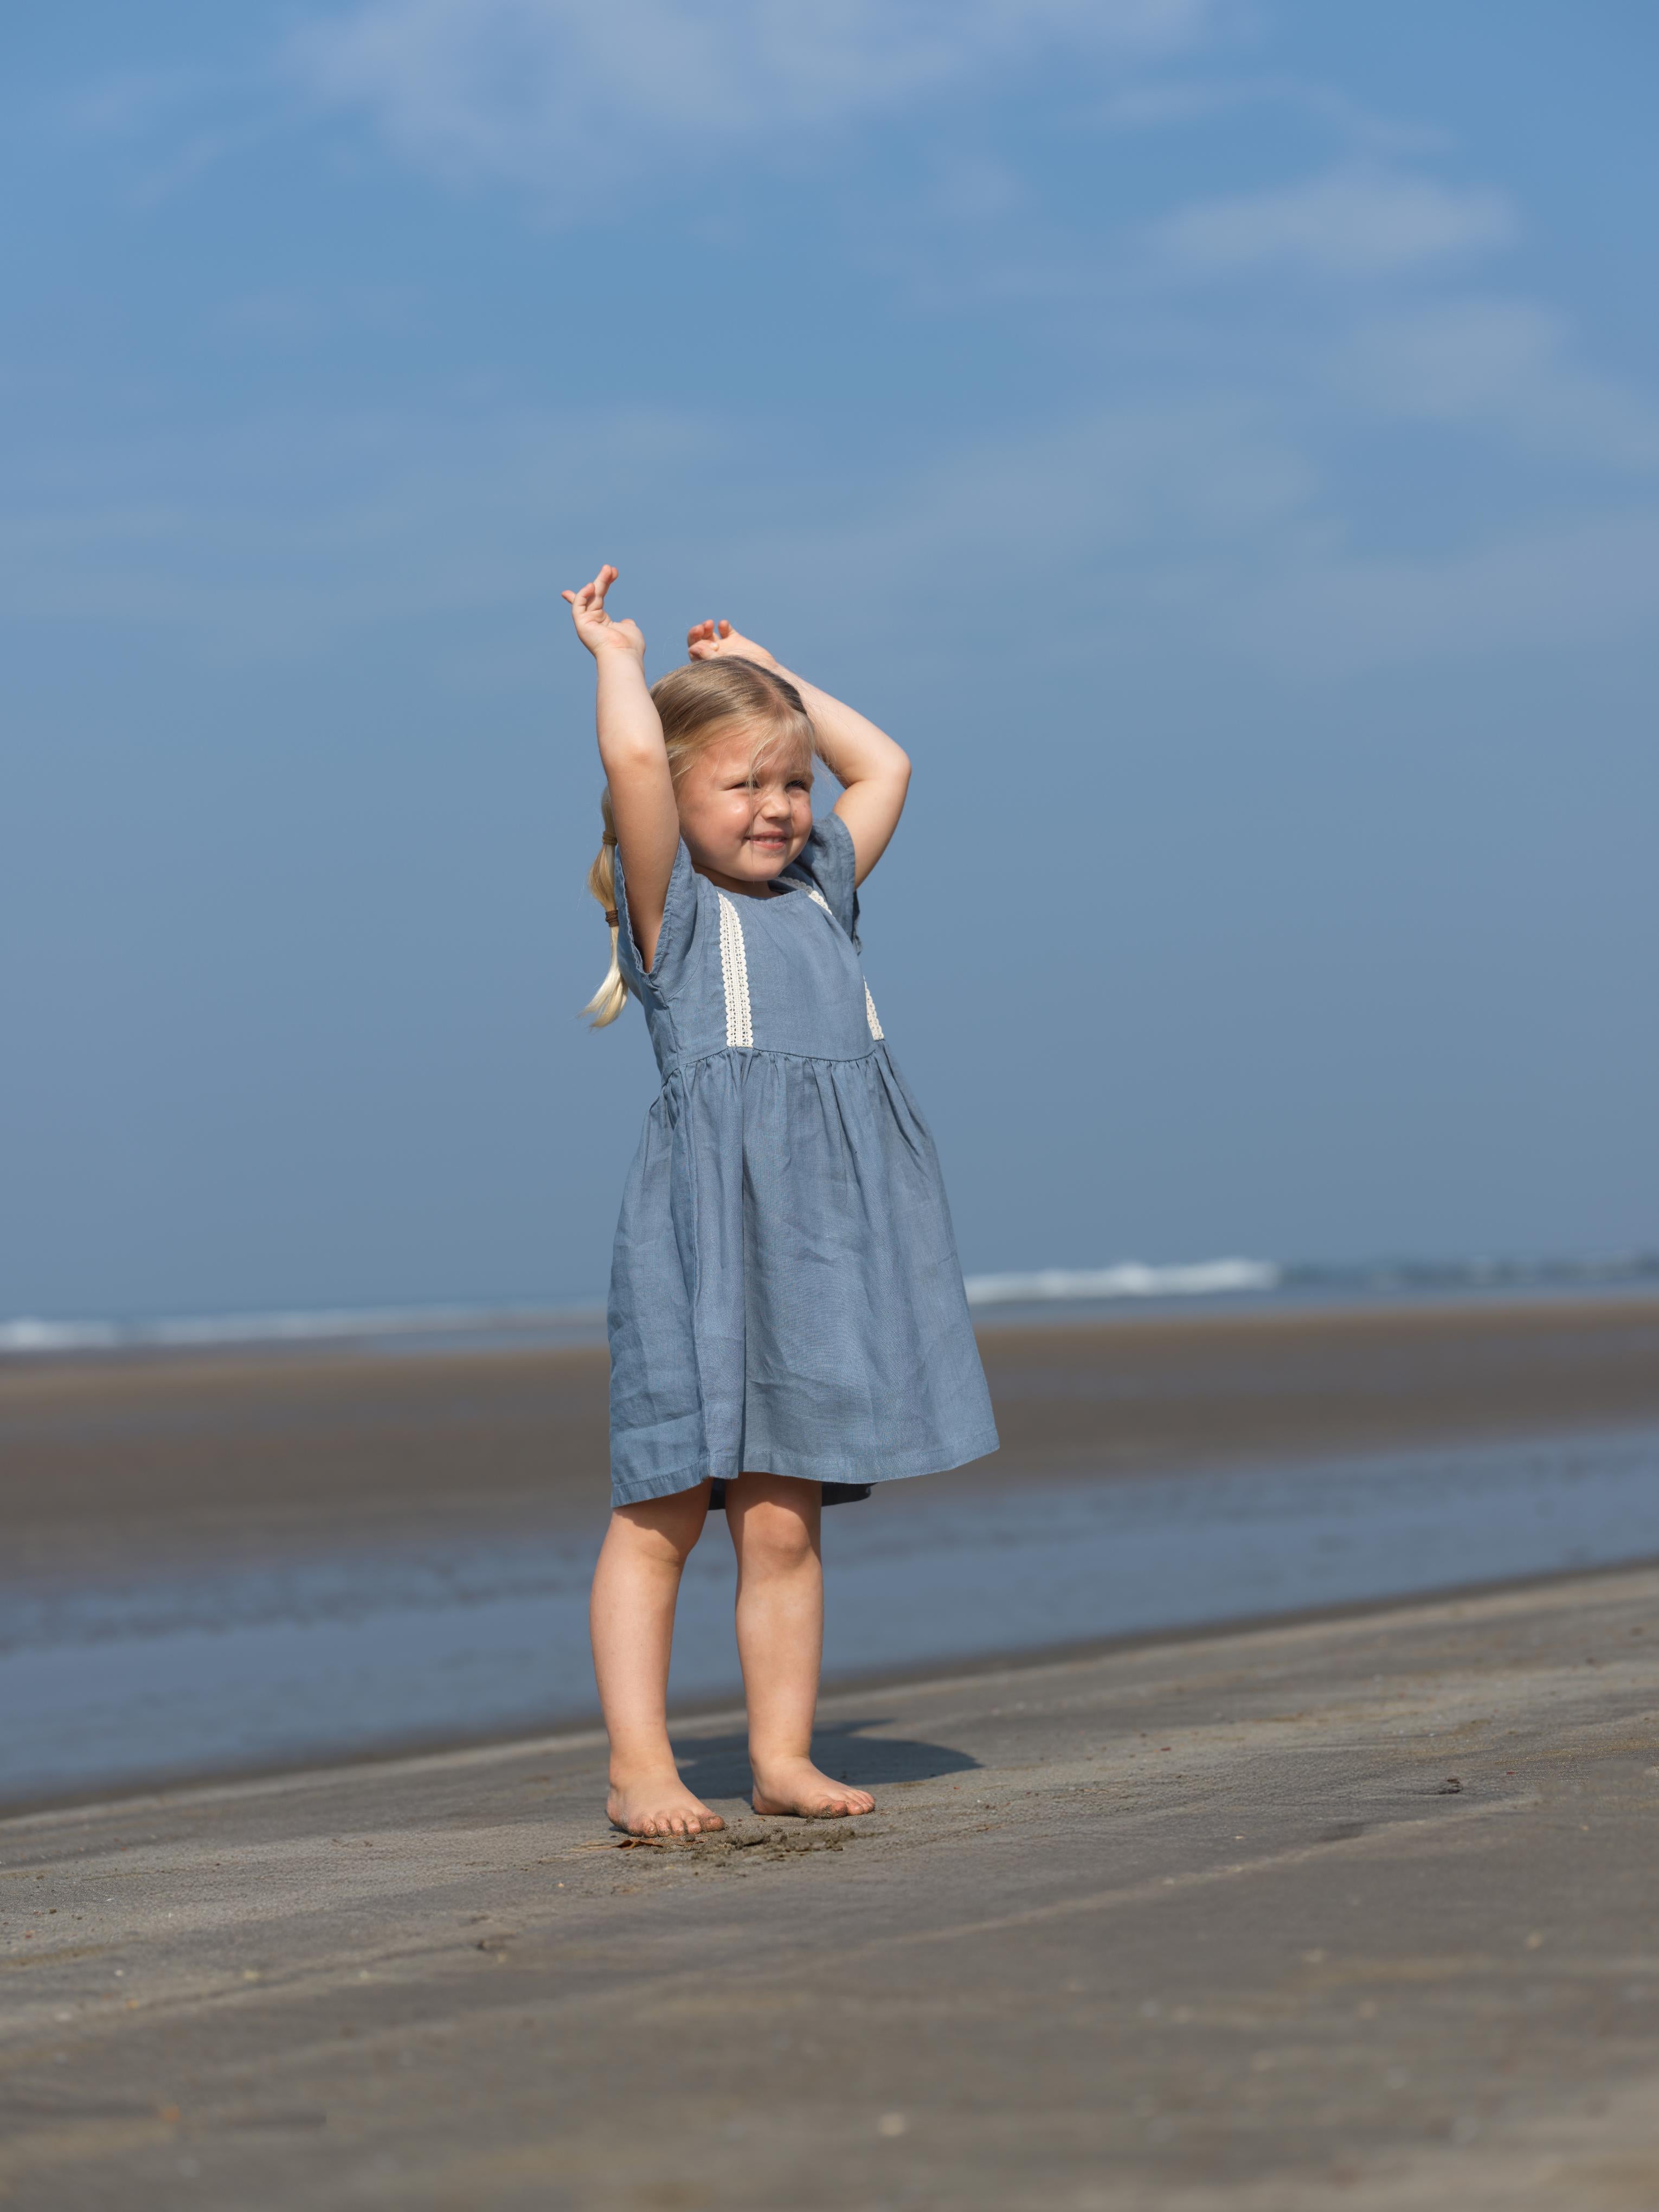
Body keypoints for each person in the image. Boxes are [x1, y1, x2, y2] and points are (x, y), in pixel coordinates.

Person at [563, 563, 998, 1836]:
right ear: (678, 799)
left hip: (818, 1253)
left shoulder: (825, 890)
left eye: (791, 784)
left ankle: (782, 1757)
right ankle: (640, 1766)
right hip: (707, 1244)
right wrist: (619, 659)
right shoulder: (677, 915)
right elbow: (635, 765)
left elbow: (889, 765)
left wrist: (767, 670)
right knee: (661, 1515)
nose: (778, 809)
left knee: (784, 1524)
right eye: (744, 784)